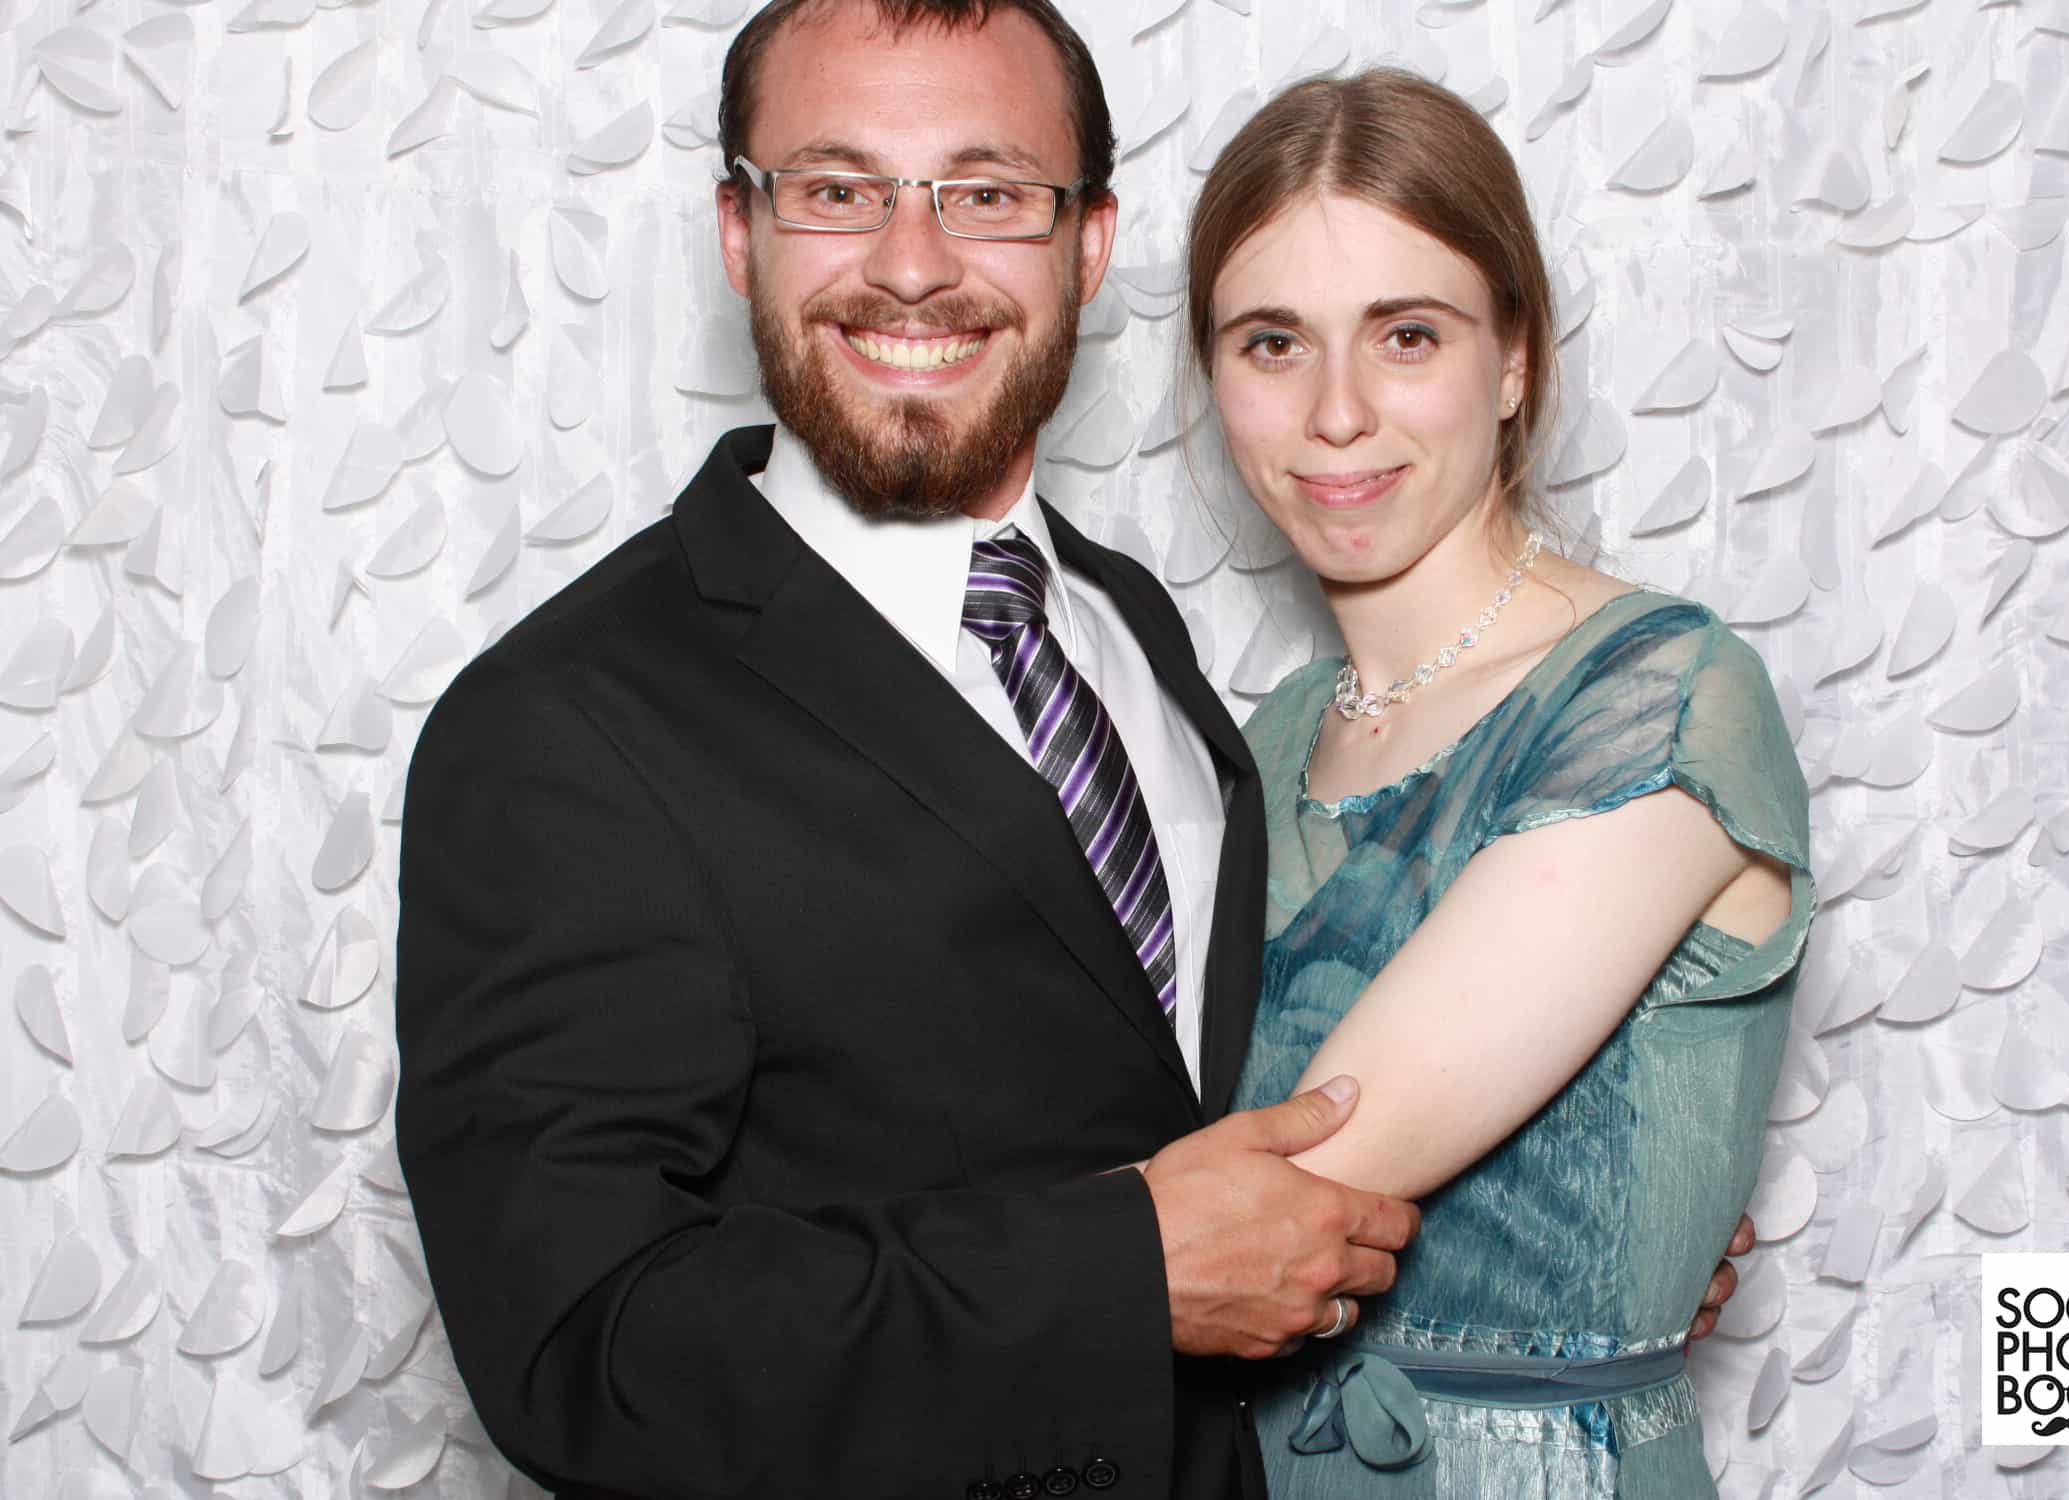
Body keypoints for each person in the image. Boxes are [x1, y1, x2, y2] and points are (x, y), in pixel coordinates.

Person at [394, 4, 1747, 1497]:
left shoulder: (1135, 633)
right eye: (838, 189)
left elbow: (1223, 1100)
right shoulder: (565, 721)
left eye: (987, 193)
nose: (913, 262)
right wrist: (1118, 1276)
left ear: (1089, 245)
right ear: (739, 231)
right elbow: (578, 1349)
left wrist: (1576, 1238)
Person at [1187, 69, 1816, 1496]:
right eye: (1273, 342)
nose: (1336, 412)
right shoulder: (1266, 736)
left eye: (1406, 335)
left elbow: (1288, 1195)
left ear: (1516, 360)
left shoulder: (1656, 693)